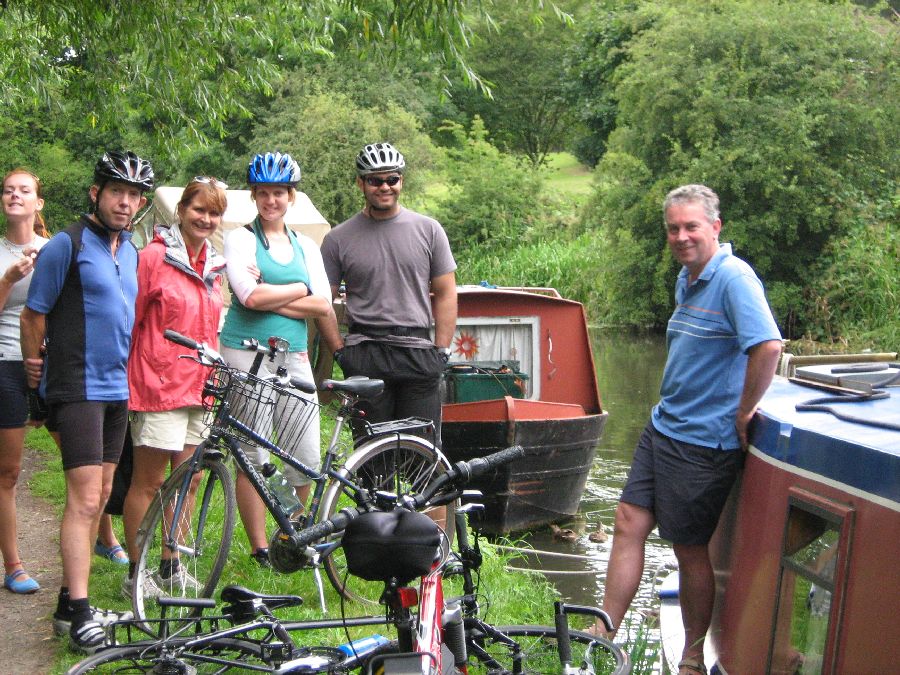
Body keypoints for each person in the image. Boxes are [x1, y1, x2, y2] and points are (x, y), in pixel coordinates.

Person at [597, 184, 782, 675]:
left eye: (691, 226)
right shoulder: (689, 276)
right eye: (673, 228)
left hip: (703, 441)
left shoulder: (735, 279)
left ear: (715, 228)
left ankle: (694, 654)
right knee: (627, 521)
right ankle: (603, 631)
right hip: (665, 426)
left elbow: (767, 346)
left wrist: (744, 411)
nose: (681, 236)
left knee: (688, 548)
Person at [20, 151, 153, 653]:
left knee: (100, 495)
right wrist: (36, 377)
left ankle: (65, 604)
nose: (126, 202)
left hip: (117, 389)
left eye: (135, 195)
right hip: (77, 387)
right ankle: (78, 614)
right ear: (96, 193)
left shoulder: (132, 248)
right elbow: (34, 315)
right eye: (117, 191)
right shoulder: (66, 243)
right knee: (84, 501)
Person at [219, 152, 332, 566]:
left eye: (279, 193)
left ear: (291, 196)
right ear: (254, 196)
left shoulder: (306, 246)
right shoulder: (241, 238)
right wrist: (299, 290)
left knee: (304, 452)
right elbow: (247, 296)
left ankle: (294, 533)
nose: (271, 201)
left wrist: (278, 295)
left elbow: (322, 305)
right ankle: (260, 545)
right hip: (245, 353)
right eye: (263, 193)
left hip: (293, 355)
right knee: (254, 452)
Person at [120, 177, 228, 598]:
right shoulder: (152, 257)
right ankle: (137, 569)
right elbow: (130, 319)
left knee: (189, 480)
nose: (205, 218)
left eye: (213, 212)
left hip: (202, 387)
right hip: (158, 384)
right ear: (181, 211)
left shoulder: (213, 265)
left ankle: (170, 563)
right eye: (198, 209)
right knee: (148, 482)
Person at [320, 142, 457, 443]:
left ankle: (422, 491)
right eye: (375, 180)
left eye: (391, 179)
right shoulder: (337, 239)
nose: (384, 187)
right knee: (372, 458)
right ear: (361, 183)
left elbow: (446, 292)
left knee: (421, 454)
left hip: (418, 353)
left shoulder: (429, 230)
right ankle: (376, 490)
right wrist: (340, 352)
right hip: (365, 352)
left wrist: (442, 350)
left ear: (401, 181)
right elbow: (322, 302)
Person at [0, 168, 50, 594]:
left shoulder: (55, 251)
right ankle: (14, 565)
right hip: (6, 363)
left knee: (83, 458)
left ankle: (107, 539)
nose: (14, 195)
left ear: (39, 203)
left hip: (49, 364)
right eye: (8, 190)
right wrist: (8, 280)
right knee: (9, 471)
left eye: (24, 190)